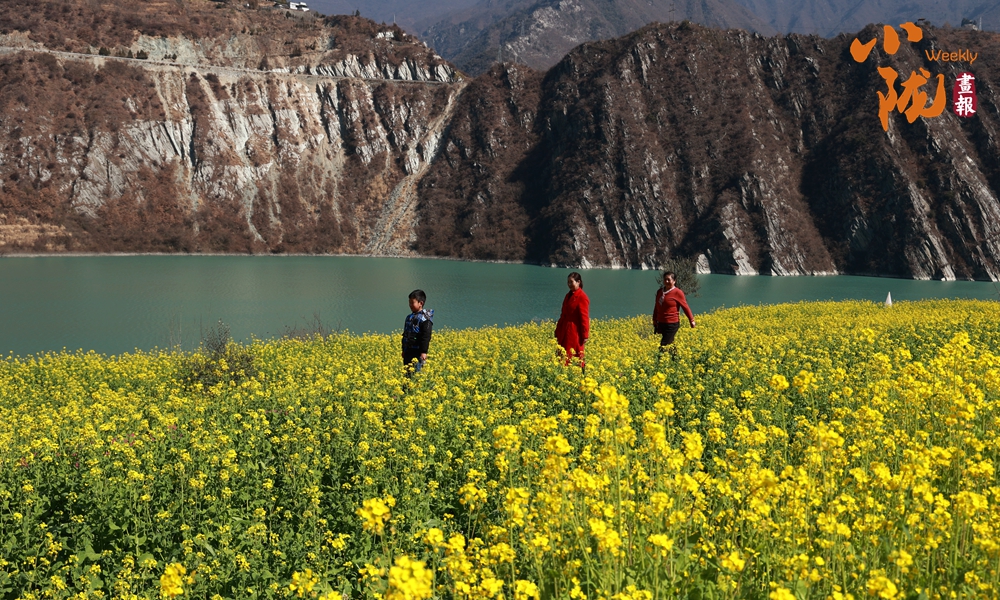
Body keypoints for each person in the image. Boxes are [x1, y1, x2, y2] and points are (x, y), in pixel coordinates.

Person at [653, 271, 695, 353]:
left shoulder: (678, 292)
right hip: (661, 322)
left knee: (664, 344)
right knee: (670, 343)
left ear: (674, 281)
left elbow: (685, 307)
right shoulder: (659, 292)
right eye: (665, 279)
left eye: (669, 279)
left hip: (671, 323)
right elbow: (656, 306)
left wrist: (691, 320)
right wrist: (654, 319)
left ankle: (660, 359)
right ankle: (675, 358)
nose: (666, 281)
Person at [555, 272, 590, 370]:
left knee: (573, 354)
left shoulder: (582, 297)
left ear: (578, 282)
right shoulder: (568, 295)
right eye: (568, 282)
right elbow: (563, 314)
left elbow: (584, 317)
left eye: (571, 282)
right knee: (561, 354)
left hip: (574, 330)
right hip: (564, 328)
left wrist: (585, 335)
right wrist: (558, 329)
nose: (569, 284)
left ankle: (577, 374)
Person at [402, 289, 433, 375]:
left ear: (421, 303)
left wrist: (423, 352)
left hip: (418, 352)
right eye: (409, 303)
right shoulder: (409, 317)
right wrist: (404, 350)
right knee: (407, 375)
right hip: (408, 351)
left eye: (412, 303)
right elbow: (405, 335)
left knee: (417, 375)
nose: (410, 305)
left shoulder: (425, 319)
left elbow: (426, 336)